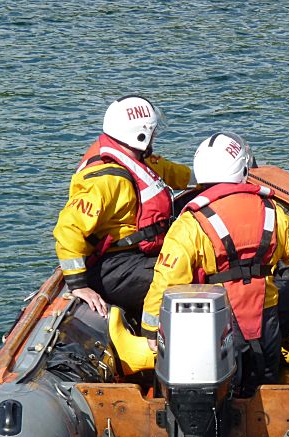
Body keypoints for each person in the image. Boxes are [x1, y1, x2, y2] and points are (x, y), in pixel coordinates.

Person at [141, 132, 289, 395]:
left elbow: (166, 280)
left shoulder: (190, 224)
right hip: (266, 323)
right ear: (243, 168)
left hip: (215, 328)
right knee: (264, 388)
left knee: (223, 392)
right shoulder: (274, 213)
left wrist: (151, 331)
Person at [53, 95, 192, 319]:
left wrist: (213, 176)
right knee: (182, 278)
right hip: (113, 267)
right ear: (140, 135)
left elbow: (170, 171)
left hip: (133, 256)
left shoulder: (135, 159)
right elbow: (68, 229)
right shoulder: (107, 181)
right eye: (152, 131)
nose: (155, 136)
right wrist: (78, 284)